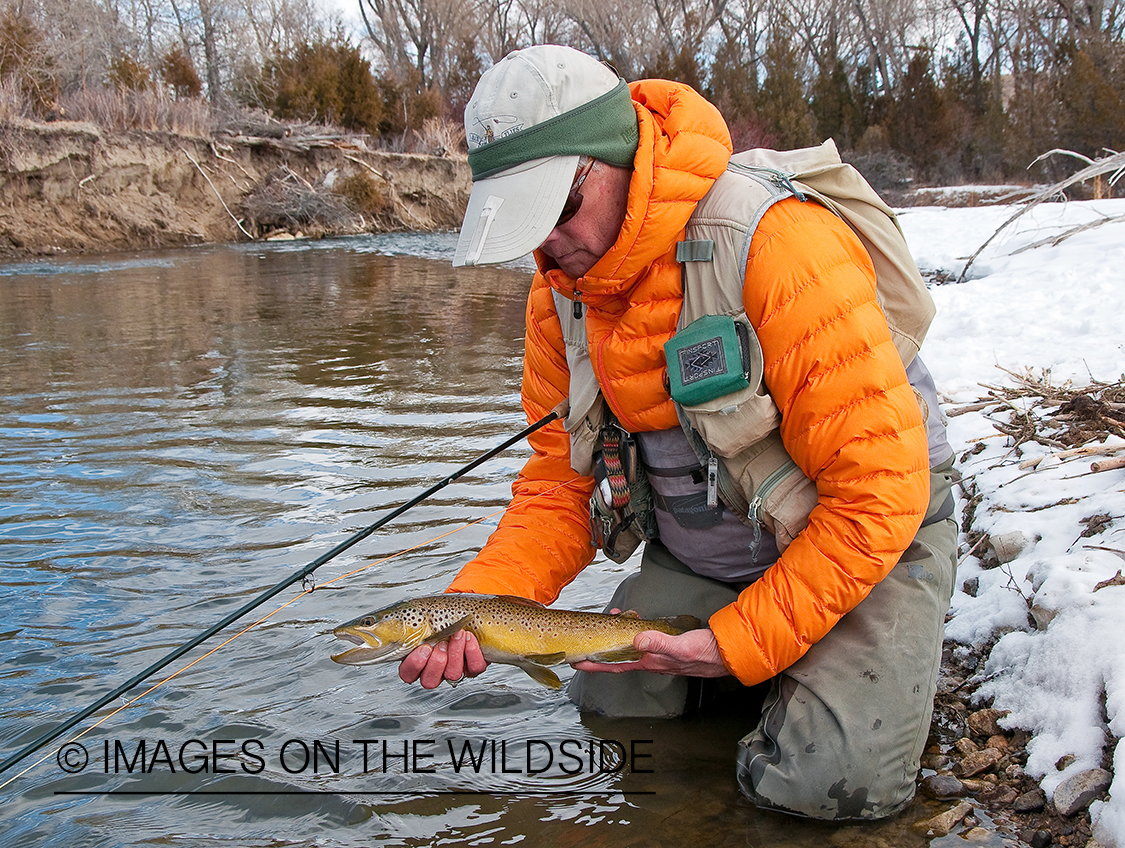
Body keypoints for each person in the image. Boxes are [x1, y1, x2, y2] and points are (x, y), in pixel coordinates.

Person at [398, 44, 957, 821]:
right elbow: (557, 487)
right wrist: (480, 607)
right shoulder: (558, 295)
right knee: (612, 710)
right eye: (526, 224)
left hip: (867, 543)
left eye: (557, 209)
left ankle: (824, 678)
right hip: (707, 559)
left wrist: (738, 643)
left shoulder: (775, 242)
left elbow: (880, 496)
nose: (547, 246)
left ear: (619, 157)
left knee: (825, 788)